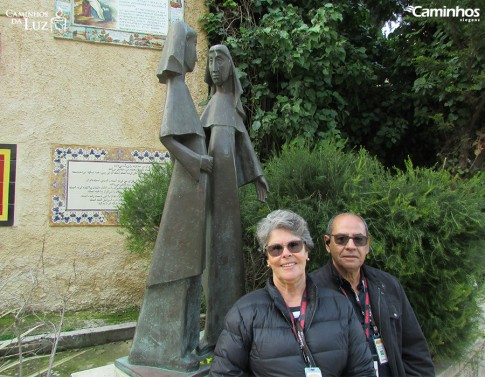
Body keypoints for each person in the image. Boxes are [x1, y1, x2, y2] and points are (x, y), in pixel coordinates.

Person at [127, 21, 212, 372]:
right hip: (185, 191)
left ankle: (184, 344)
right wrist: (199, 161)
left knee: (189, 269)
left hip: (191, 190)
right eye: (193, 46)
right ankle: (169, 350)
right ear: (183, 49)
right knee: (179, 268)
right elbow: (168, 137)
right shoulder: (177, 87)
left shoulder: (183, 90)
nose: (196, 54)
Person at [209, 210, 375, 377]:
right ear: (268, 259)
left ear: (306, 251)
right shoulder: (245, 313)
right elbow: (223, 373)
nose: (286, 254)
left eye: (294, 245)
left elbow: (362, 371)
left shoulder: (340, 306)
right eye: (276, 249)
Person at [199, 44, 269, 353]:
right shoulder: (213, 103)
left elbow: (243, 144)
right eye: (210, 60)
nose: (215, 65)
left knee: (225, 259)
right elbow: (198, 144)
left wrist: (258, 176)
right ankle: (214, 332)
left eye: (221, 60)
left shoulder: (227, 103)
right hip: (211, 193)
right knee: (212, 260)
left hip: (226, 198)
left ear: (231, 67)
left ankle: (223, 333)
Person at [310, 213, 435, 377]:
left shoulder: (388, 285)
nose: (350, 246)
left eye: (358, 239)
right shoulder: (311, 291)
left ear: (367, 245)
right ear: (327, 243)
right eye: (341, 239)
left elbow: (415, 351)